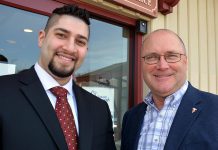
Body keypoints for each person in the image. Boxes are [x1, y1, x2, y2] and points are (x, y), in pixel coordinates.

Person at [0, 5, 116, 150]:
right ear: (42, 38)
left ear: (86, 50)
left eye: (80, 41)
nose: (70, 48)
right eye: (61, 35)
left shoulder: (99, 109)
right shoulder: (3, 93)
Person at [121, 29, 218, 150]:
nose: (162, 66)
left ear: (185, 61)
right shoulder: (130, 118)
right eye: (152, 57)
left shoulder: (215, 109)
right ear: (142, 64)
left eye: (171, 56)